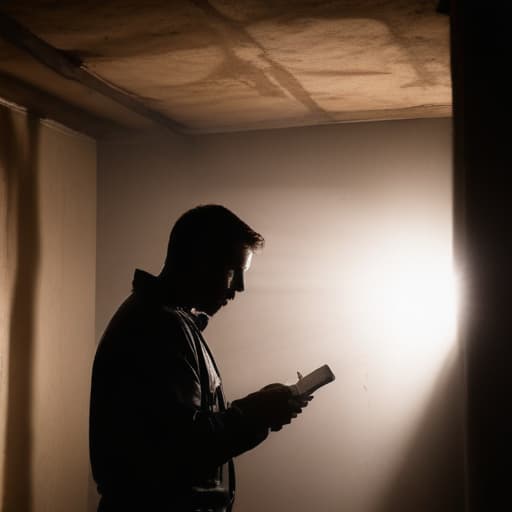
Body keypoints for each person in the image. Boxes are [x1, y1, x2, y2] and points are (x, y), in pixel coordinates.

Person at [89, 204, 311, 512]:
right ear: (199, 260)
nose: (240, 288)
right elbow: (183, 449)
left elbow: (184, 432)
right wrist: (259, 414)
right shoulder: (158, 328)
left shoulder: (164, 322)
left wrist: (260, 407)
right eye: (234, 271)